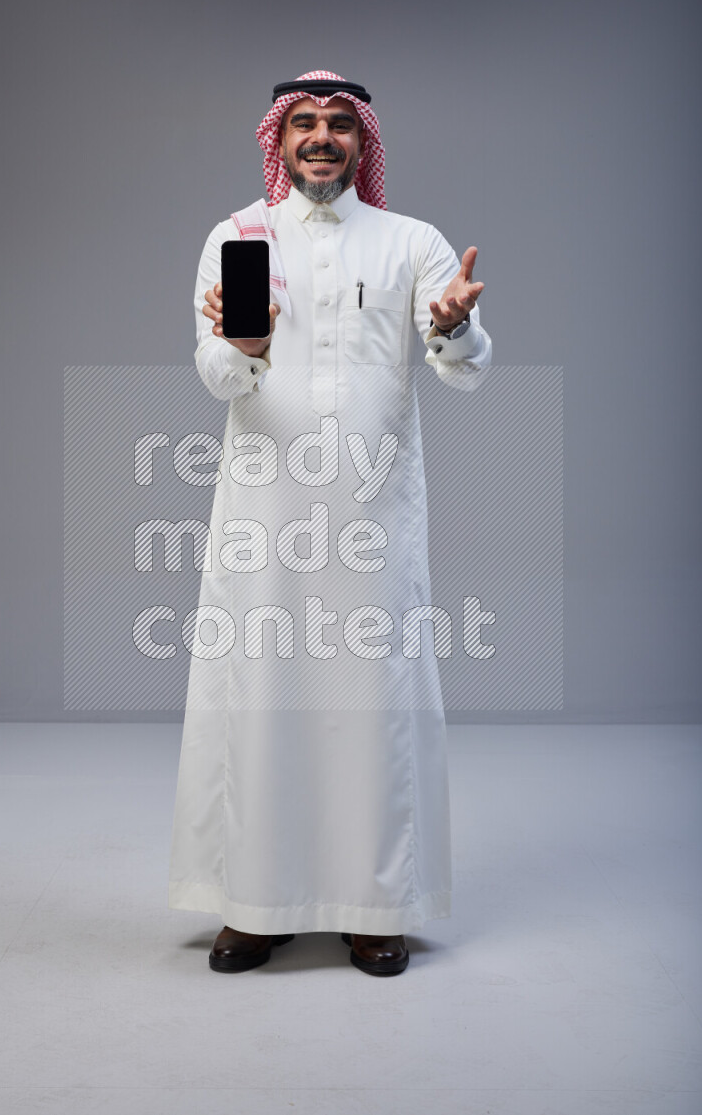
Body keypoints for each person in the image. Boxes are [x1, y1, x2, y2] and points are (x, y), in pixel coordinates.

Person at [168, 70, 491, 976]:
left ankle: (372, 906)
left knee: (370, 706)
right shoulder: (239, 236)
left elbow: (464, 367)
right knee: (262, 702)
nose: (320, 137)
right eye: (303, 122)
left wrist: (454, 327)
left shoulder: (410, 241)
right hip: (264, 519)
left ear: (362, 141)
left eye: (338, 124)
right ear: (280, 138)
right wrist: (242, 348)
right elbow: (216, 378)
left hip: (371, 519)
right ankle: (255, 907)